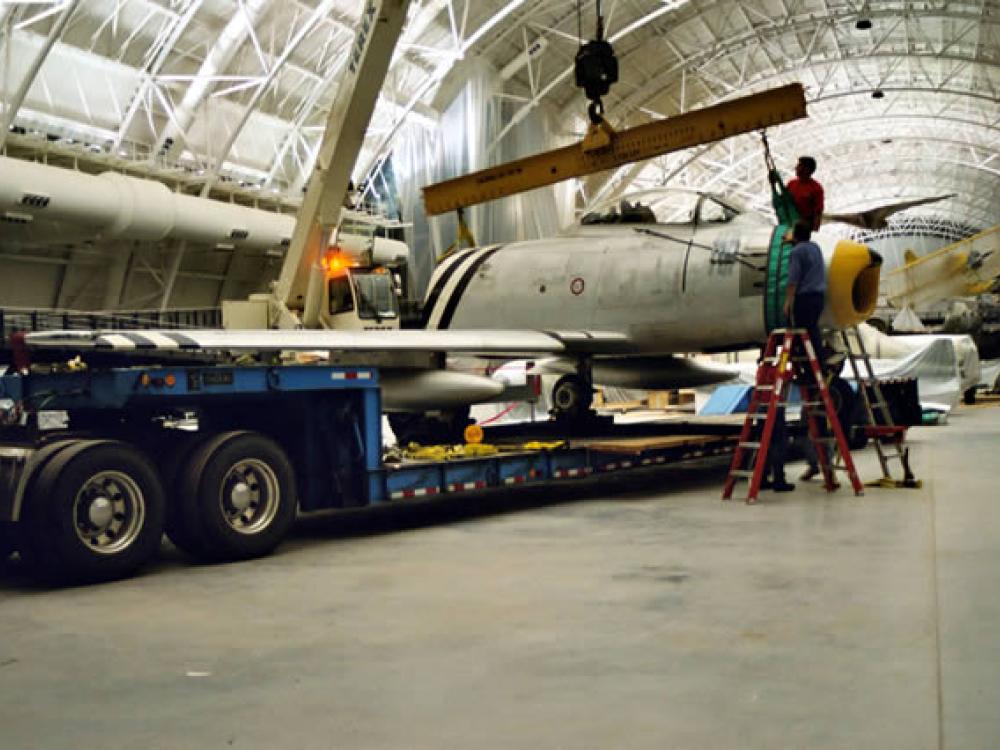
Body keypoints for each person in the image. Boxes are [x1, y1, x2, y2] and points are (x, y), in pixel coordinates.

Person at [786, 156, 824, 231]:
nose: (796, 168)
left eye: (799, 165)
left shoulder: (816, 188)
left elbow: (818, 212)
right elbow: (783, 200)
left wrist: (815, 230)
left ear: (807, 169)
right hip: (789, 223)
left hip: (805, 226)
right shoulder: (791, 183)